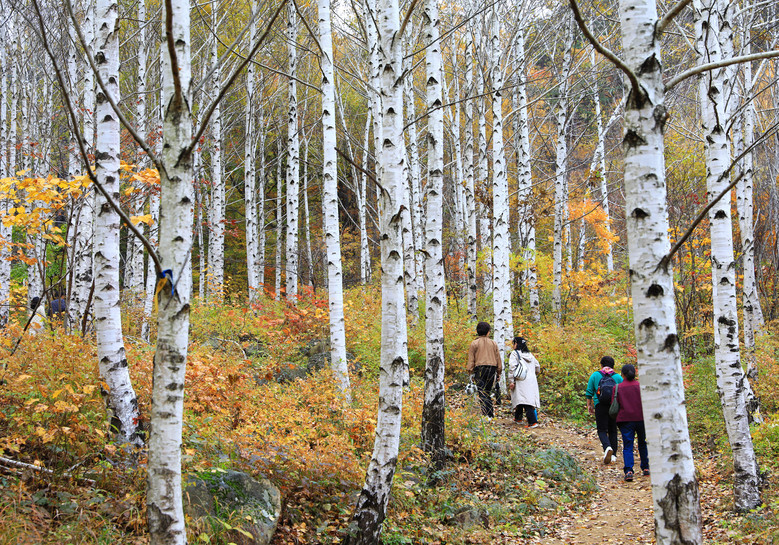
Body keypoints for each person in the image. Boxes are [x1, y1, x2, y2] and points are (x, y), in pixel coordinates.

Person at [585, 356, 623, 464]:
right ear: (613, 366)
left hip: (600, 405)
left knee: (602, 430)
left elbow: (589, 392)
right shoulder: (618, 377)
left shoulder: (595, 375)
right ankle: (613, 456)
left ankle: (607, 447)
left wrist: (589, 405)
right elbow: (622, 394)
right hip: (614, 407)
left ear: (601, 365)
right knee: (613, 430)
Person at [615, 364, 649, 481]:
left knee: (628, 445)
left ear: (622, 374)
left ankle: (629, 471)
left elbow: (614, 404)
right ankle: (646, 467)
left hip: (625, 420)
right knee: (643, 443)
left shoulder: (618, 388)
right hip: (641, 418)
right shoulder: (641, 386)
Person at [466, 321, 503, 418]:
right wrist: (499, 372)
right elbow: (498, 359)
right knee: (487, 391)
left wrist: (470, 372)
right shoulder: (493, 343)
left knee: (482, 392)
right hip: (492, 369)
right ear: (488, 332)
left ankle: (486, 415)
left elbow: (471, 360)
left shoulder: (474, 343)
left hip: (479, 369)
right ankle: (490, 414)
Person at [508, 337, 541, 428]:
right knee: (523, 399)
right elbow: (537, 367)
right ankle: (518, 418)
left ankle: (532, 422)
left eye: (513, 343)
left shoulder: (515, 353)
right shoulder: (530, 355)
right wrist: (533, 374)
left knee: (525, 401)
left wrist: (511, 381)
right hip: (531, 380)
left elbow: (512, 368)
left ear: (516, 344)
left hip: (520, 379)